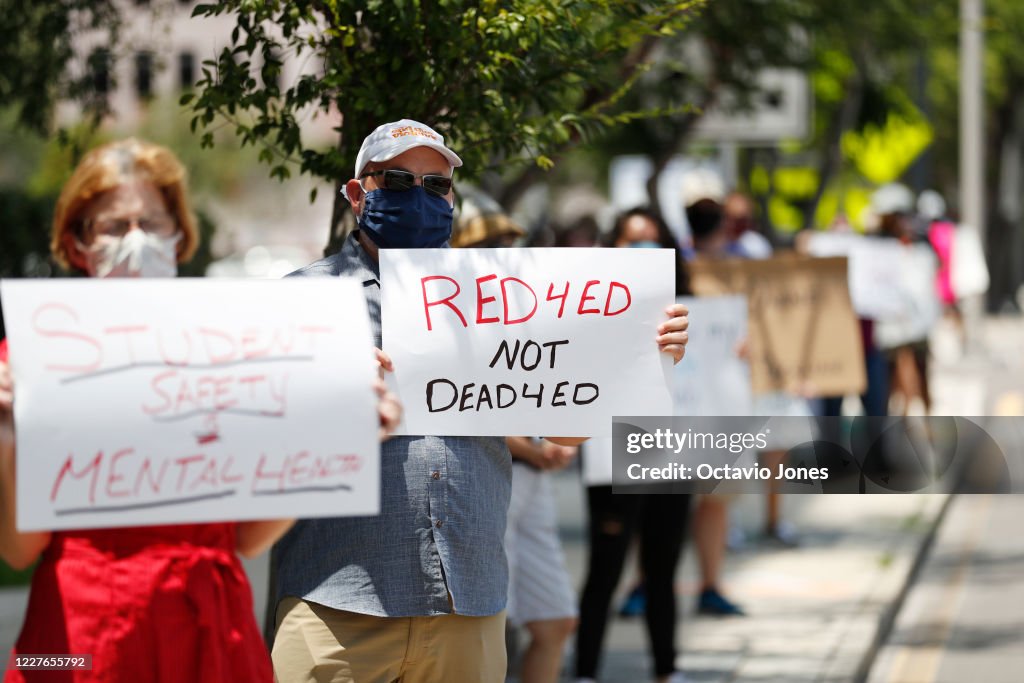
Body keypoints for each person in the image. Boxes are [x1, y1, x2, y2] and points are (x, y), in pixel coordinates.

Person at [269, 120, 690, 683]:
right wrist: (322, 386)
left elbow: (563, 431)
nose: (418, 195)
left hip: (467, 604)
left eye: (436, 185)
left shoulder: (506, 298)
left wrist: (634, 356)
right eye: (396, 179)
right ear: (355, 193)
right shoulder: (301, 300)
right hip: (335, 605)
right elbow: (255, 444)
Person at [0, 138, 403, 683]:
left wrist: (338, 440)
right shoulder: (33, 360)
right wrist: (7, 438)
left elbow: (248, 539)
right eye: (115, 227)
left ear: (180, 235)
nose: (137, 240)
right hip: (78, 641)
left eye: (153, 222)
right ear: (78, 243)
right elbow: (20, 551)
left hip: (211, 631)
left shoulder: (226, 347)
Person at [453, 194, 579, 683]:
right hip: (488, 481)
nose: (504, 251)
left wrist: (559, 439)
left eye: (508, 242)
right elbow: (459, 402)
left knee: (555, 621)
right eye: (489, 244)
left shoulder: (525, 306)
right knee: (484, 629)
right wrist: (533, 446)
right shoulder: (453, 316)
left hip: (532, 480)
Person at [575, 207, 692, 683]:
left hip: (676, 453)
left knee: (663, 568)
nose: (643, 250)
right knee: (606, 568)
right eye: (632, 240)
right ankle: (585, 671)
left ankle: (666, 668)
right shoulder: (592, 310)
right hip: (614, 456)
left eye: (652, 240)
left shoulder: (688, 311)